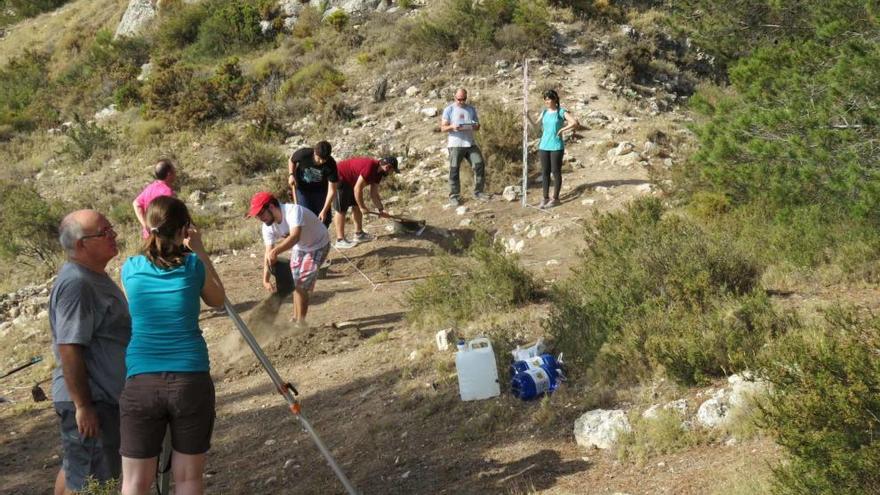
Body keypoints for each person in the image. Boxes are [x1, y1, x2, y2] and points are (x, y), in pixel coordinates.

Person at [118, 196, 225, 495]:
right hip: (189, 378)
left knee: (134, 482)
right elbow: (218, 301)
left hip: (141, 380)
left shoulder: (130, 268)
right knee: (189, 478)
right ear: (183, 230)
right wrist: (200, 251)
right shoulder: (193, 266)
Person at [49, 210, 132, 495]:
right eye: (104, 232)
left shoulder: (92, 276)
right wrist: (84, 406)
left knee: (79, 472)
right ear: (82, 244)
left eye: (111, 228)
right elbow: (69, 347)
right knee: (92, 484)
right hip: (91, 400)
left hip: (95, 399)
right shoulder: (78, 284)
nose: (113, 235)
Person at [247, 192, 331, 326]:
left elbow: (295, 236)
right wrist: (266, 279)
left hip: (318, 245)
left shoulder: (293, 211)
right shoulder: (267, 227)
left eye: (261, 213)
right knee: (295, 283)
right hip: (300, 247)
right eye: (257, 215)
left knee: (302, 284)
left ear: (271, 206)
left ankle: (300, 323)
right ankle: (295, 318)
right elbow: (268, 253)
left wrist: (276, 251)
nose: (259, 218)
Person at [332, 156, 398, 249]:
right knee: (341, 209)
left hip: (351, 181)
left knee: (356, 206)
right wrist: (362, 207)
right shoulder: (370, 166)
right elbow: (357, 189)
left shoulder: (379, 173)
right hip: (340, 177)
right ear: (388, 167)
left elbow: (374, 194)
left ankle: (359, 234)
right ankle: (340, 240)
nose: (392, 173)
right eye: (393, 170)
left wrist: (381, 210)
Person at [440, 88, 490, 206]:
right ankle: (454, 196)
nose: (461, 101)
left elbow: (477, 125)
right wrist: (453, 126)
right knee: (454, 170)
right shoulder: (449, 109)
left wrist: (475, 125)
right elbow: (443, 128)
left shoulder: (471, 109)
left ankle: (478, 192)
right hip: (455, 144)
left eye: (464, 99)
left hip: (470, 143)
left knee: (479, 165)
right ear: (454, 97)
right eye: (459, 99)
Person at [533, 89, 579, 208]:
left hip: (556, 146)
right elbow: (535, 126)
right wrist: (527, 116)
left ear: (555, 99)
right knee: (545, 172)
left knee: (556, 172)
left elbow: (574, 122)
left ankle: (556, 199)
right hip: (543, 145)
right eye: (545, 99)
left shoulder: (560, 112)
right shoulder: (544, 112)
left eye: (549, 99)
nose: (547, 101)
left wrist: (562, 129)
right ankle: (545, 198)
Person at [288, 141, 337, 227]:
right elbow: (291, 160)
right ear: (315, 152)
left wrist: (324, 210)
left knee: (325, 220)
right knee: (306, 216)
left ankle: (321, 238)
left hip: (321, 192)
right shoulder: (304, 154)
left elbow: (332, 190)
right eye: (319, 158)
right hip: (303, 190)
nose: (321, 161)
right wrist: (291, 175)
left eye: (324, 159)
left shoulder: (331, 164)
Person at [132, 158, 177, 239]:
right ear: (169, 174)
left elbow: (136, 204)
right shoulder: (168, 193)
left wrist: (145, 225)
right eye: (174, 170)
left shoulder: (150, 187)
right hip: (162, 238)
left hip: (148, 237)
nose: (176, 173)